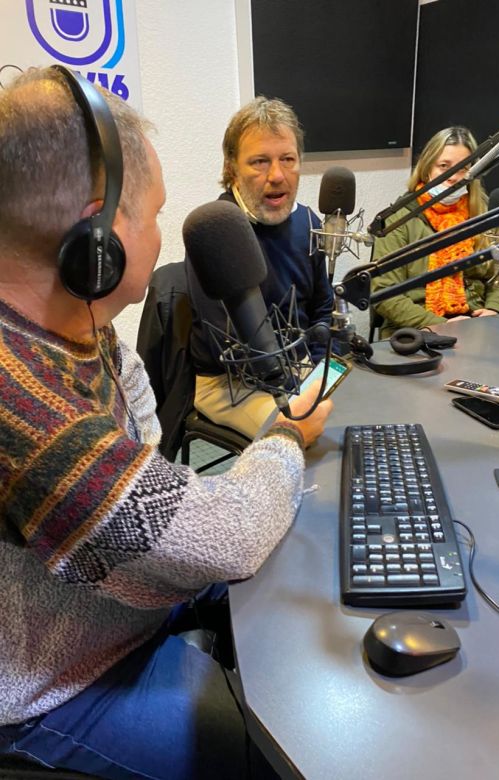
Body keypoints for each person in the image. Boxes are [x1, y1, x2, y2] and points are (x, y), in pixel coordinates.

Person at [0, 67, 332, 780]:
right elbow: (225, 535)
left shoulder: (91, 329)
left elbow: (155, 469)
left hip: (113, 600)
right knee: (245, 745)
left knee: (297, 572)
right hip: (45, 681)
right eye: (151, 215)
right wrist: (281, 438)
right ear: (98, 239)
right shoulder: (15, 395)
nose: (159, 235)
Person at [186, 96, 334, 439]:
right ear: (231, 168)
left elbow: (323, 308)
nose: (277, 175)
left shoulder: (308, 222)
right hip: (230, 382)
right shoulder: (216, 232)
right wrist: (299, 389)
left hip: (296, 365)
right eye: (259, 162)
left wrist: (320, 368)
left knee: (355, 409)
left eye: (287, 159)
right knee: (302, 431)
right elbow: (232, 346)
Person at [371, 126, 499, 338]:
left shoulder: (481, 215)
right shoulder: (398, 219)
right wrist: (441, 326)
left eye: (463, 168)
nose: (453, 177)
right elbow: (384, 293)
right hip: (415, 331)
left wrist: (494, 310)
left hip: (473, 328)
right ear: (427, 168)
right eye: (444, 166)